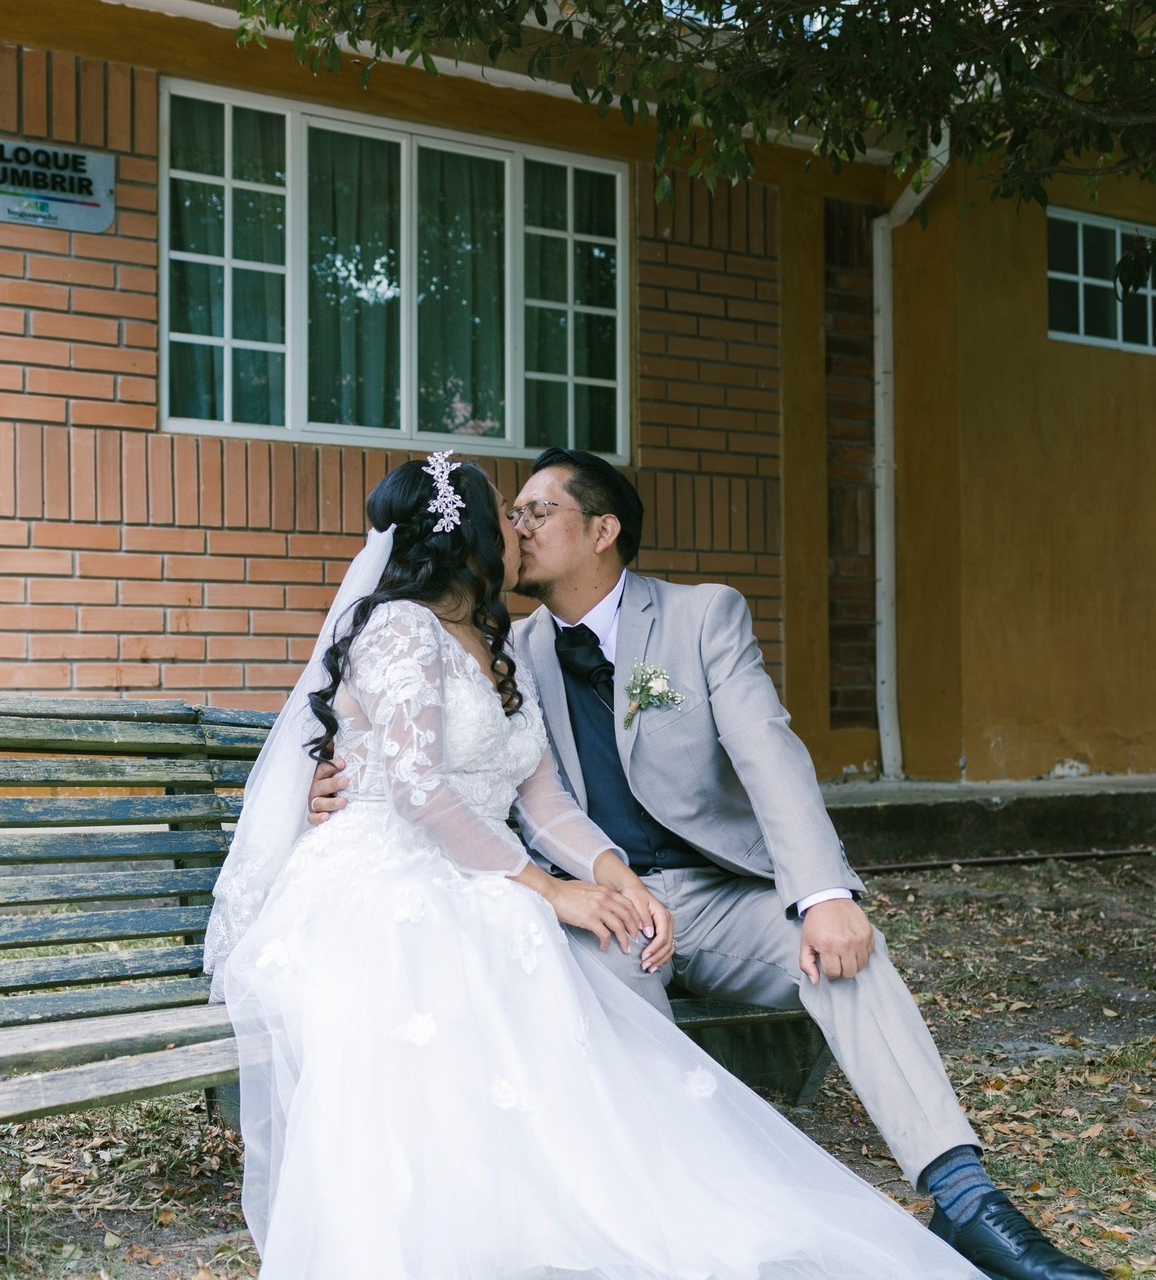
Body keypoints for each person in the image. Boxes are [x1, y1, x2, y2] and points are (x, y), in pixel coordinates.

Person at [308, 447, 1107, 1280]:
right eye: (511, 517)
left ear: (603, 530)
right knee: (605, 1002)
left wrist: (824, 892)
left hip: (718, 893)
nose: (518, 527)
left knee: (847, 962)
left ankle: (968, 1201)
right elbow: (441, 768)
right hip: (596, 901)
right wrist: (338, 782)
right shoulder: (508, 643)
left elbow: (770, 756)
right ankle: (665, 1213)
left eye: (538, 512)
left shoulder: (700, 618)